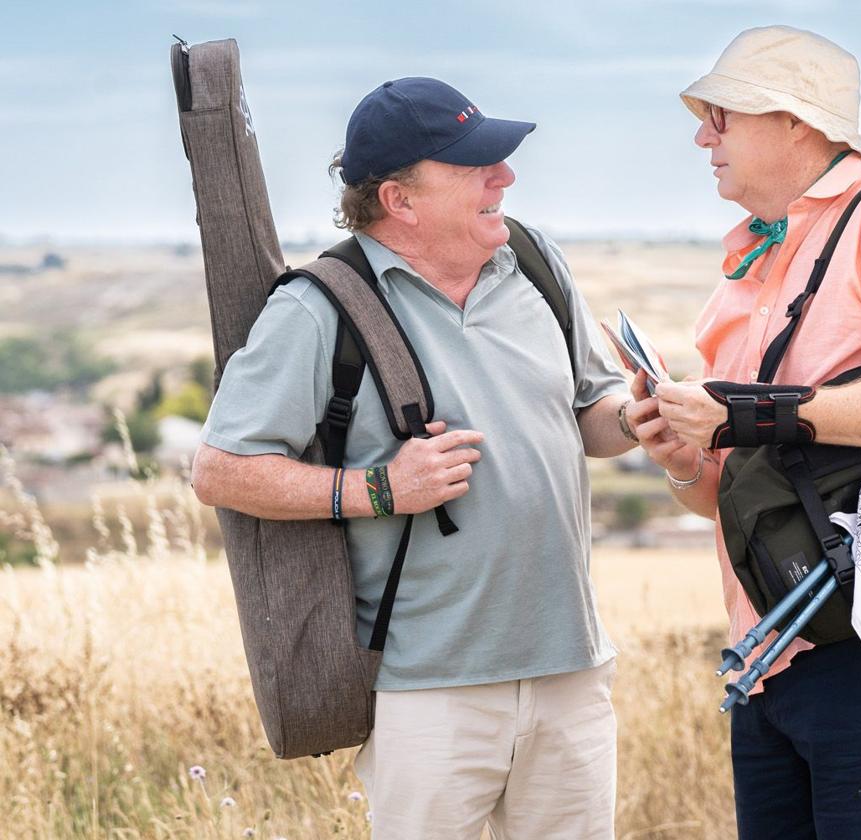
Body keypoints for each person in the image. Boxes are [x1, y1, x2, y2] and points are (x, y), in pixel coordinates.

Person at [191, 76, 636, 839]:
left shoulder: (535, 264)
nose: (506, 177)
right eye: (477, 166)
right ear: (400, 200)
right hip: (428, 693)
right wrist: (380, 488)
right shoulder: (316, 308)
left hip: (572, 671)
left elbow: (594, 415)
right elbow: (220, 469)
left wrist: (643, 420)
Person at [626, 26, 861, 839]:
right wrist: (685, 458)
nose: (701, 136)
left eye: (722, 116)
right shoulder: (757, 260)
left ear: (796, 120)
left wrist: (752, 413)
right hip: (766, 655)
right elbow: (736, 497)